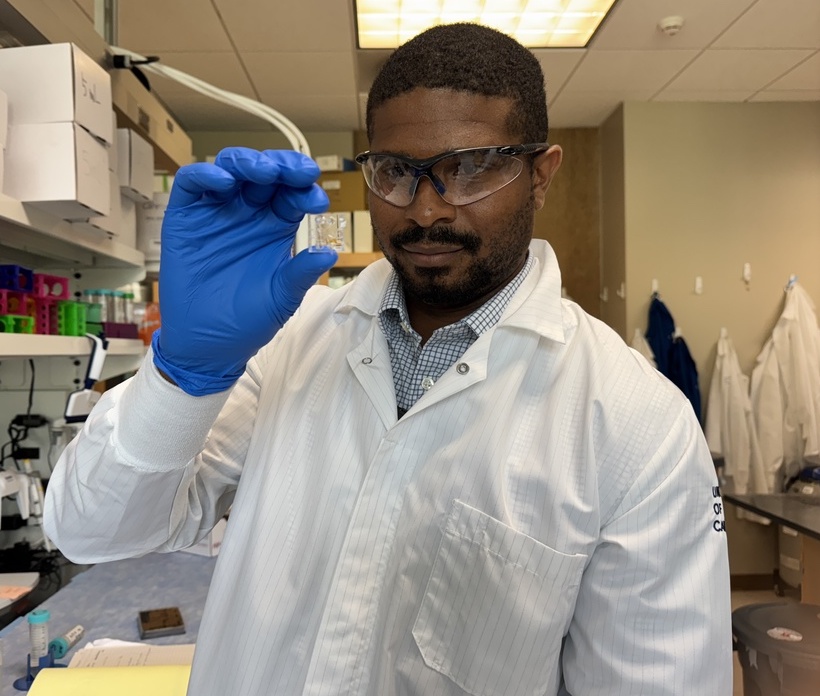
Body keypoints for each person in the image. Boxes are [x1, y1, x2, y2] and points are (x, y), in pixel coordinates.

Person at [44, 22, 732, 696]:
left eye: (470, 169)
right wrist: (181, 376)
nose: (426, 211)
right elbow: (90, 531)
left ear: (540, 175)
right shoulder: (285, 344)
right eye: (397, 172)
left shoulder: (638, 424)